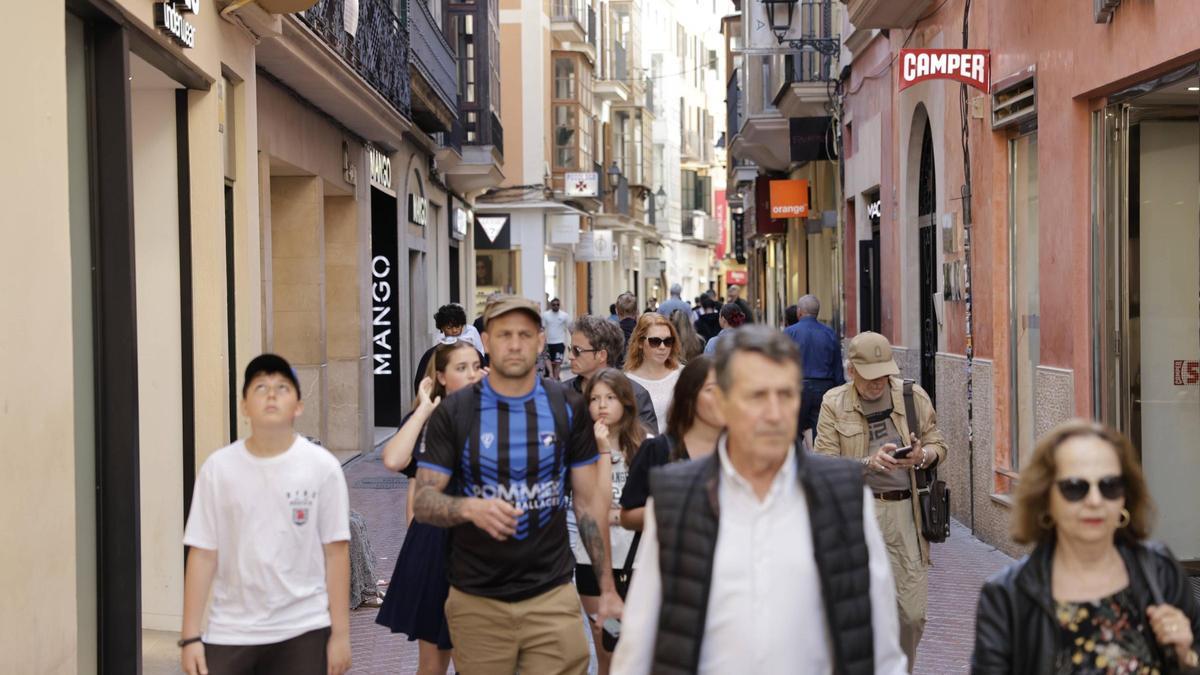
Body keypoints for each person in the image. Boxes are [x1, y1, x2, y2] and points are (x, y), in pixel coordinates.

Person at [610, 326, 907, 674]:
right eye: (756, 395)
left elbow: (882, 651)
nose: (774, 412)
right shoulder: (678, 498)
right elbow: (638, 645)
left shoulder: (842, 496)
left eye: (785, 394)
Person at [411, 295, 622, 674]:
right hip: (477, 600)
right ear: (485, 342)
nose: (514, 344)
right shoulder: (455, 412)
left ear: (541, 341)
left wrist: (607, 589)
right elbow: (424, 501)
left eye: (524, 334)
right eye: (503, 334)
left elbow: (589, 505)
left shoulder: (567, 406)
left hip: (552, 595)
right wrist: (467, 508)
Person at [972, 420, 1200, 674]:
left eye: (1109, 485)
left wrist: (1185, 655)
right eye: (1074, 487)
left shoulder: (1161, 572)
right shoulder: (1007, 597)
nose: (1095, 500)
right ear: (1045, 498)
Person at [180, 354, 351, 675]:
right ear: (244, 406)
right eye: (260, 387)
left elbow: (336, 552)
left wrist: (340, 634)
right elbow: (202, 553)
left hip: (303, 628)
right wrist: (190, 636)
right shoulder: (218, 469)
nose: (271, 394)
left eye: (282, 387)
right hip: (231, 630)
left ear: (298, 406)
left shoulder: (322, 467)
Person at [813, 331, 947, 672]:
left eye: (883, 374)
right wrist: (867, 464)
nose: (878, 383)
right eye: (870, 375)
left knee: (911, 615)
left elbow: (938, 444)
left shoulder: (912, 396)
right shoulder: (834, 402)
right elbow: (823, 463)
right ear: (851, 371)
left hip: (906, 513)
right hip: (856, 513)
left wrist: (921, 456)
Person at [376, 341, 484, 675]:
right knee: (432, 663)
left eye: (476, 366)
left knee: (478, 661)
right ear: (441, 376)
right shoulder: (425, 420)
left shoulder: (495, 416)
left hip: (482, 546)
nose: (472, 374)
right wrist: (424, 409)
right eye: (461, 368)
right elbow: (394, 460)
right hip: (434, 546)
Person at [574, 368, 647, 675]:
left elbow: (655, 505)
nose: (601, 405)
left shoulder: (647, 444)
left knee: (635, 651)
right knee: (608, 650)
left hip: (638, 563)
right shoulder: (582, 449)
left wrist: (618, 516)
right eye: (594, 399)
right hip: (593, 563)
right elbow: (594, 504)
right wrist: (603, 450)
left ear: (626, 401)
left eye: (610, 397)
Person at [619, 355, 723, 532]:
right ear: (689, 395)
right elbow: (627, 517)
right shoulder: (658, 449)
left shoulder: (740, 452)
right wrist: (669, 510)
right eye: (711, 390)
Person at [568, 315, 659, 433]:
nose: (570, 356)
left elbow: (648, 442)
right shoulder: (562, 393)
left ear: (601, 355)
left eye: (577, 351)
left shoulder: (636, 395)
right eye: (570, 349)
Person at [783, 295, 845, 442]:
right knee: (822, 435)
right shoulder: (830, 333)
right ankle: (818, 456)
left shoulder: (789, 333)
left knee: (792, 434)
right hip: (824, 389)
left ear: (799, 312)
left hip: (796, 387)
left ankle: (795, 456)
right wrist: (841, 392)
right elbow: (837, 367)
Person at [623, 313, 684, 435]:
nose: (662, 347)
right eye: (655, 341)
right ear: (640, 343)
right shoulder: (626, 381)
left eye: (668, 341)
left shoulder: (683, 374)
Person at [414, 304, 484, 396]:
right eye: (449, 327)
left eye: (458, 326)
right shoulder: (432, 354)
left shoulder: (472, 352)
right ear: (441, 328)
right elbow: (420, 384)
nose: (454, 330)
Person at [542, 298, 571, 380]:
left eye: (558, 304)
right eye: (554, 305)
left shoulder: (564, 315)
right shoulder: (545, 315)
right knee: (551, 363)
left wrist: (573, 340)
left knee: (558, 363)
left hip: (560, 342)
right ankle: (553, 377)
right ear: (551, 305)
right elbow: (542, 328)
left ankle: (555, 380)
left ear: (559, 305)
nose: (556, 306)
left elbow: (570, 328)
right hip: (549, 343)